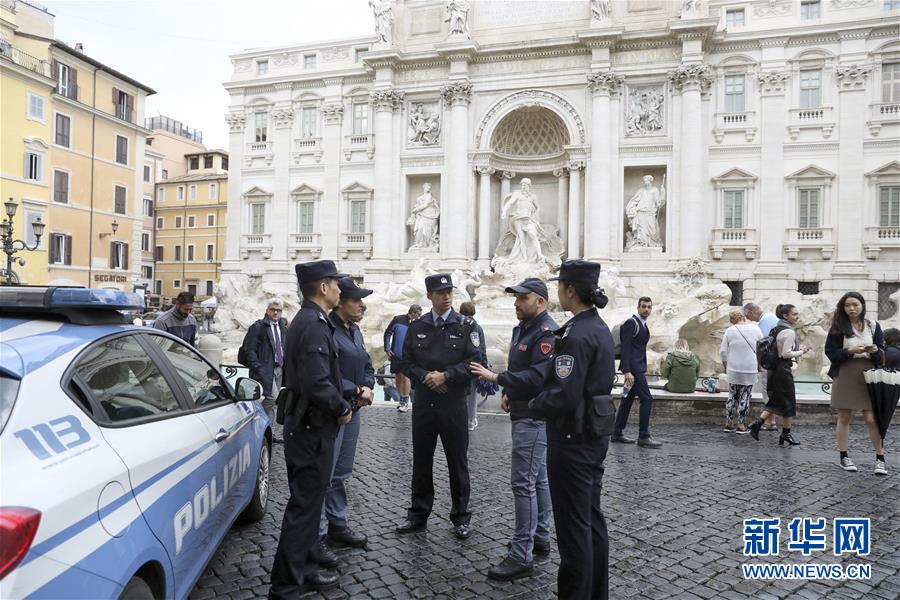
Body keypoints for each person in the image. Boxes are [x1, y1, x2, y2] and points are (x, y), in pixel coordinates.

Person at [529, 260, 616, 600]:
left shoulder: (575, 335)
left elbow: (564, 394)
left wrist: (531, 404)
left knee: (572, 527)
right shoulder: (598, 327)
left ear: (570, 290)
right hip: (593, 434)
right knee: (591, 520)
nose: (557, 292)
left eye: (559, 286)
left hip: (572, 438)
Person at [269, 260, 354, 597]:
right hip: (311, 429)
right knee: (304, 508)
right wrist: (342, 407)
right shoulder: (314, 324)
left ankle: (304, 570)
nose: (339, 289)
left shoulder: (309, 320)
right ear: (323, 287)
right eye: (336, 283)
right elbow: (317, 382)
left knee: (309, 505)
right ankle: (287, 585)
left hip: (307, 426)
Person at [469, 278, 557, 581]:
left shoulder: (546, 332)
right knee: (539, 479)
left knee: (523, 484)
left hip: (533, 416)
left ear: (540, 301)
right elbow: (521, 367)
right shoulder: (524, 328)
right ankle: (540, 536)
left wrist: (497, 379)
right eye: (516, 298)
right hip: (523, 410)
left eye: (523, 298)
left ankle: (522, 554)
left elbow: (537, 377)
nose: (516, 303)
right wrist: (509, 392)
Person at [396, 273, 482, 539]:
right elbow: (406, 362)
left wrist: (446, 376)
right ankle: (418, 514)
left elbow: (476, 362)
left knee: (458, 461)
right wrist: (427, 377)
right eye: (440, 293)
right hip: (425, 402)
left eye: (449, 292)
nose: (446, 297)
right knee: (421, 460)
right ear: (429, 295)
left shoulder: (466, 326)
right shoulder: (417, 326)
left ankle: (461, 516)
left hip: (453, 403)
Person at [319, 278, 376, 562]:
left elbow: (367, 364)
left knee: (341, 472)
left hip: (353, 409)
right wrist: (356, 389)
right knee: (325, 474)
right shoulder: (327, 330)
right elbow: (325, 374)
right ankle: (317, 535)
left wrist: (368, 386)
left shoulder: (354, 330)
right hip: (334, 411)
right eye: (357, 300)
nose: (362, 305)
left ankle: (337, 524)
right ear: (341, 302)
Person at [825, 292, 887, 476]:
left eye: (855, 304)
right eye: (847, 305)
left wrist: (875, 350)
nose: (851, 308)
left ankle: (880, 458)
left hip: (868, 374)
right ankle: (844, 456)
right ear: (843, 308)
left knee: (872, 418)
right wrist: (849, 351)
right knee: (844, 416)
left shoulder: (873, 325)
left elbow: (882, 352)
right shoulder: (838, 327)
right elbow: (830, 352)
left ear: (862, 305)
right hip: (845, 372)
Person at [748, 304, 811, 446]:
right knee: (789, 402)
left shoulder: (776, 328)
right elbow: (785, 354)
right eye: (794, 314)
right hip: (783, 371)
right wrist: (802, 351)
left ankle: (758, 424)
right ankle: (785, 433)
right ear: (785, 316)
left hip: (774, 370)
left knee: (775, 400)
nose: (797, 316)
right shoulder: (789, 332)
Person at [612, 297, 662, 448]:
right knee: (647, 399)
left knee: (627, 400)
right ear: (638, 307)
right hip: (634, 370)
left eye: (649, 307)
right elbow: (626, 348)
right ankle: (643, 436)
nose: (646, 309)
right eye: (644, 306)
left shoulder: (643, 325)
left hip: (637, 368)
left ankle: (617, 433)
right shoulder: (631, 323)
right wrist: (627, 371)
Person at [243, 299, 288, 422]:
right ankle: (253, 419)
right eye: (272, 309)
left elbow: (284, 345)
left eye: (278, 310)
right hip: (265, 369)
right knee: (272, 398)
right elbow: (250, 350)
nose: (275, 312)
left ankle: (269, 429)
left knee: (273, 402)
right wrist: (258, 368)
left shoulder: (282, 326)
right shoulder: (258, 327)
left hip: (279, 368)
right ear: (267, 310)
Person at [719, 310, 763, 434]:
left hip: (733, 367)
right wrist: (760, 365)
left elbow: (723, 351)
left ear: (731, 320)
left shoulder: (730, 331)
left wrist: (726, 365)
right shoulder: (756, 329)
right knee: (745, 395)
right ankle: (741, 425)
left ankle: (728, 423)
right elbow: (762, 349)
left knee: (732, 394)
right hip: (750, 368)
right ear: (744, 317)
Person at [743, 303, 779, 431]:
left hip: (768, 363)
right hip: (774, 361)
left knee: (767, 391)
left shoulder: (765, 320)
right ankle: (771, 421)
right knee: (770, 391)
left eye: (748, 316)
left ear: (752, 312)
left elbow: (763, 345)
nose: (748, 319)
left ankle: (770, 422)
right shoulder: (770, 317)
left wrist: (759, 364)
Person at [384, 305, 422, 412]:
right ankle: (401, 400)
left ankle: (405, 401)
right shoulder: (398, 319)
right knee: (398, 377)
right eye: (418, 314)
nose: (419, 317)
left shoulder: (418, 323)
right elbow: (387, 333)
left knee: (406, 377)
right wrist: (387, 349)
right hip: (396, 354)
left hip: (409, 356)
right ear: (413, 313)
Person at [459, 301, 487, 431]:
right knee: (471, 396)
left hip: (458, 365)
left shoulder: (457, 325)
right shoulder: (477, 327)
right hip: (473, 366)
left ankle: (459, 419)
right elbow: (481, 348)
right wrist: (484, 366)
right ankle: (470, 420)